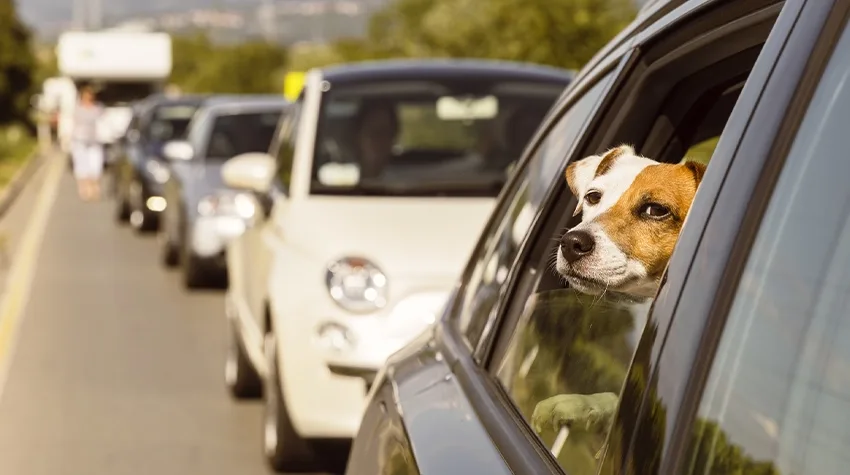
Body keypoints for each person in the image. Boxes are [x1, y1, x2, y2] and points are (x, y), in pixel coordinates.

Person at [71, 85, 105, 201]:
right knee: (81, 165)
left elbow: (103, 122)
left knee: (95, 164)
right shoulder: (77, 109)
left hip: (94, 140)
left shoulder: (98, 109)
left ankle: (95, 189)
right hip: (80, 140)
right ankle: (84, 189)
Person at [353, 102, 398, 179]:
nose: (380, 140)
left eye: (386, 133)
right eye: (374, 132)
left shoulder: (400, 185)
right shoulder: (338, 182)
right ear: (359, 137)